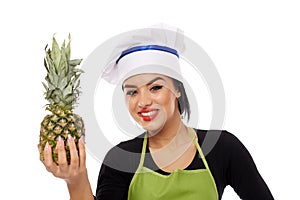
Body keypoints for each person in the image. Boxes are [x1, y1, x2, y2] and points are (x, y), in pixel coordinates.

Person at [39, 25, 274, 200]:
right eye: (132, 92)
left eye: (155, 87)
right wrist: (76, 181)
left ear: (178, 90)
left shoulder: (223, 147)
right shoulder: (119, 159)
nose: (142, 101)